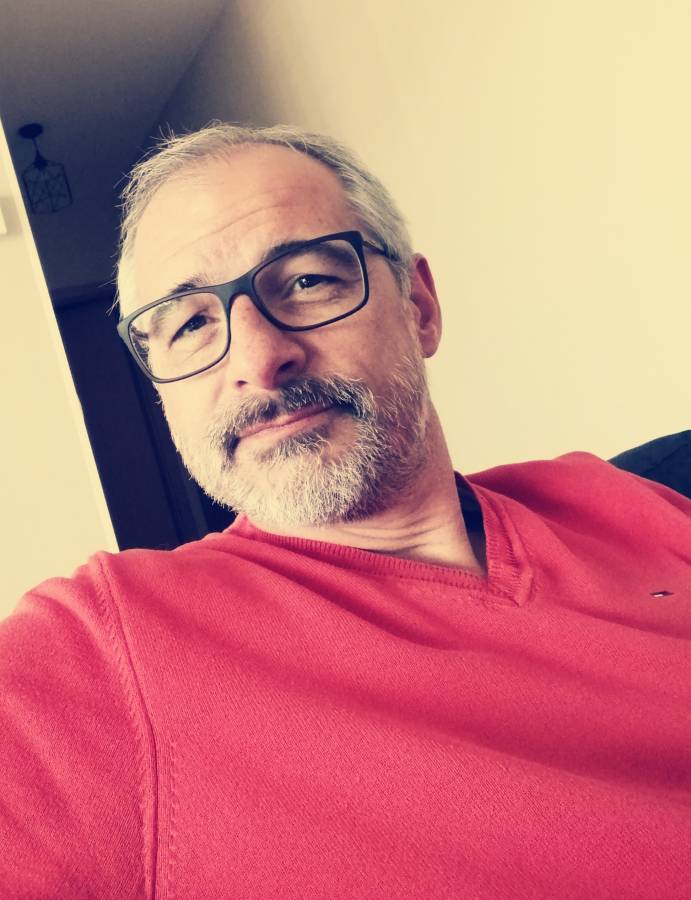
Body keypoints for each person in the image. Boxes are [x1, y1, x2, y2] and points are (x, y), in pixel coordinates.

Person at [1, 122, 689, 899]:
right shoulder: (99, 651)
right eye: (190, 324)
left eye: (305, 282)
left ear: (418, 306)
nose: (258, 359)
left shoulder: (619, 499)